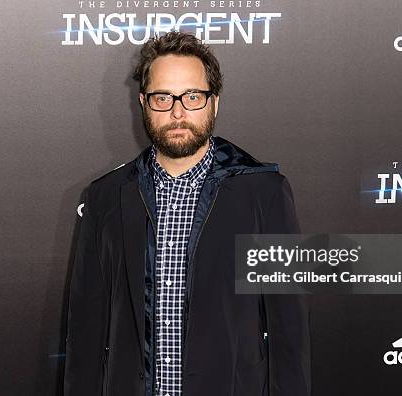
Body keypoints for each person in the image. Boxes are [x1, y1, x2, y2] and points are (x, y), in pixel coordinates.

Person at [64, 31, 310, 396]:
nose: (178, 112)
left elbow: (289, 331)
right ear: (143, 103)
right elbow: (85, 334)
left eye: (192, 96)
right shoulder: (106, 197)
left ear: (214, 102)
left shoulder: (264, 193)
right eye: (164, 97)